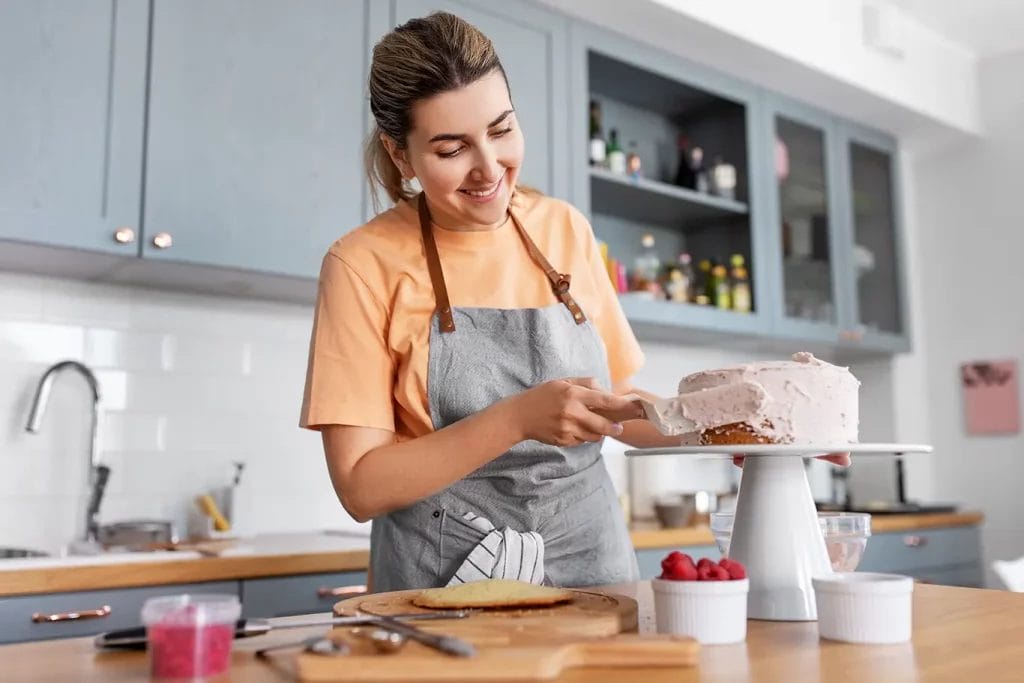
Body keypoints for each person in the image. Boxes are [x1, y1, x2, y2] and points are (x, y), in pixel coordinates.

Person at [300, 11, 846, 592]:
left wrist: (741, 426)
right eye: (452, 148)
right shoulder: (361, 264)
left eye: (502, 129)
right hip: (444, 588)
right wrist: (516, 418)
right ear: (402, 156)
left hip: (594, 574)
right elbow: (361, 485)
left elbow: (613, 405)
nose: (490, 168)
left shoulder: (563, 228)